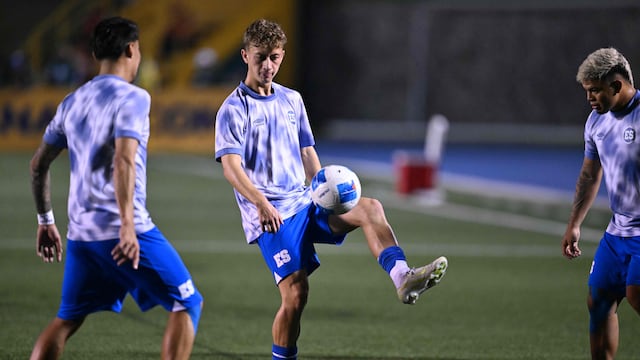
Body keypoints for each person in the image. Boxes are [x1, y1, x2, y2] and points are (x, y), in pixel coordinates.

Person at [214, 18, 448, 360]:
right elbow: (231, 168)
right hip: (272, 215)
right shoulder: (234, 109)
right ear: (245, 55)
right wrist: (261, 204)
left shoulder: (292, 100)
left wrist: (326, 187)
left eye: (275, 57)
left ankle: (403, 277)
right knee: (296, 295)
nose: (268, 66)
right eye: (260, 57)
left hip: (305, 201)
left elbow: (308, 152)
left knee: (370, 208)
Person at [29, 16, 203, 360]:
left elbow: (38, 165)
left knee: (67, 319)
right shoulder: (134, 98)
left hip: (82, 236)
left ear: (96, 54)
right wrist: (127, 226)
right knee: (186, 301)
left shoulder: (72, 102)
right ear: (131, 49)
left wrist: (45, 221)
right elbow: (123, 160)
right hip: (123, 231)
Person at [562, 47, 640, 360]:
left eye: (595, 90)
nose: (590, 98)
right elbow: (590, 174)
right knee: (599, 300)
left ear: (617, 86)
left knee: (637, 295)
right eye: (587, 91)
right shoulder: (596, 122)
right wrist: (575, 223)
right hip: (616, 232)